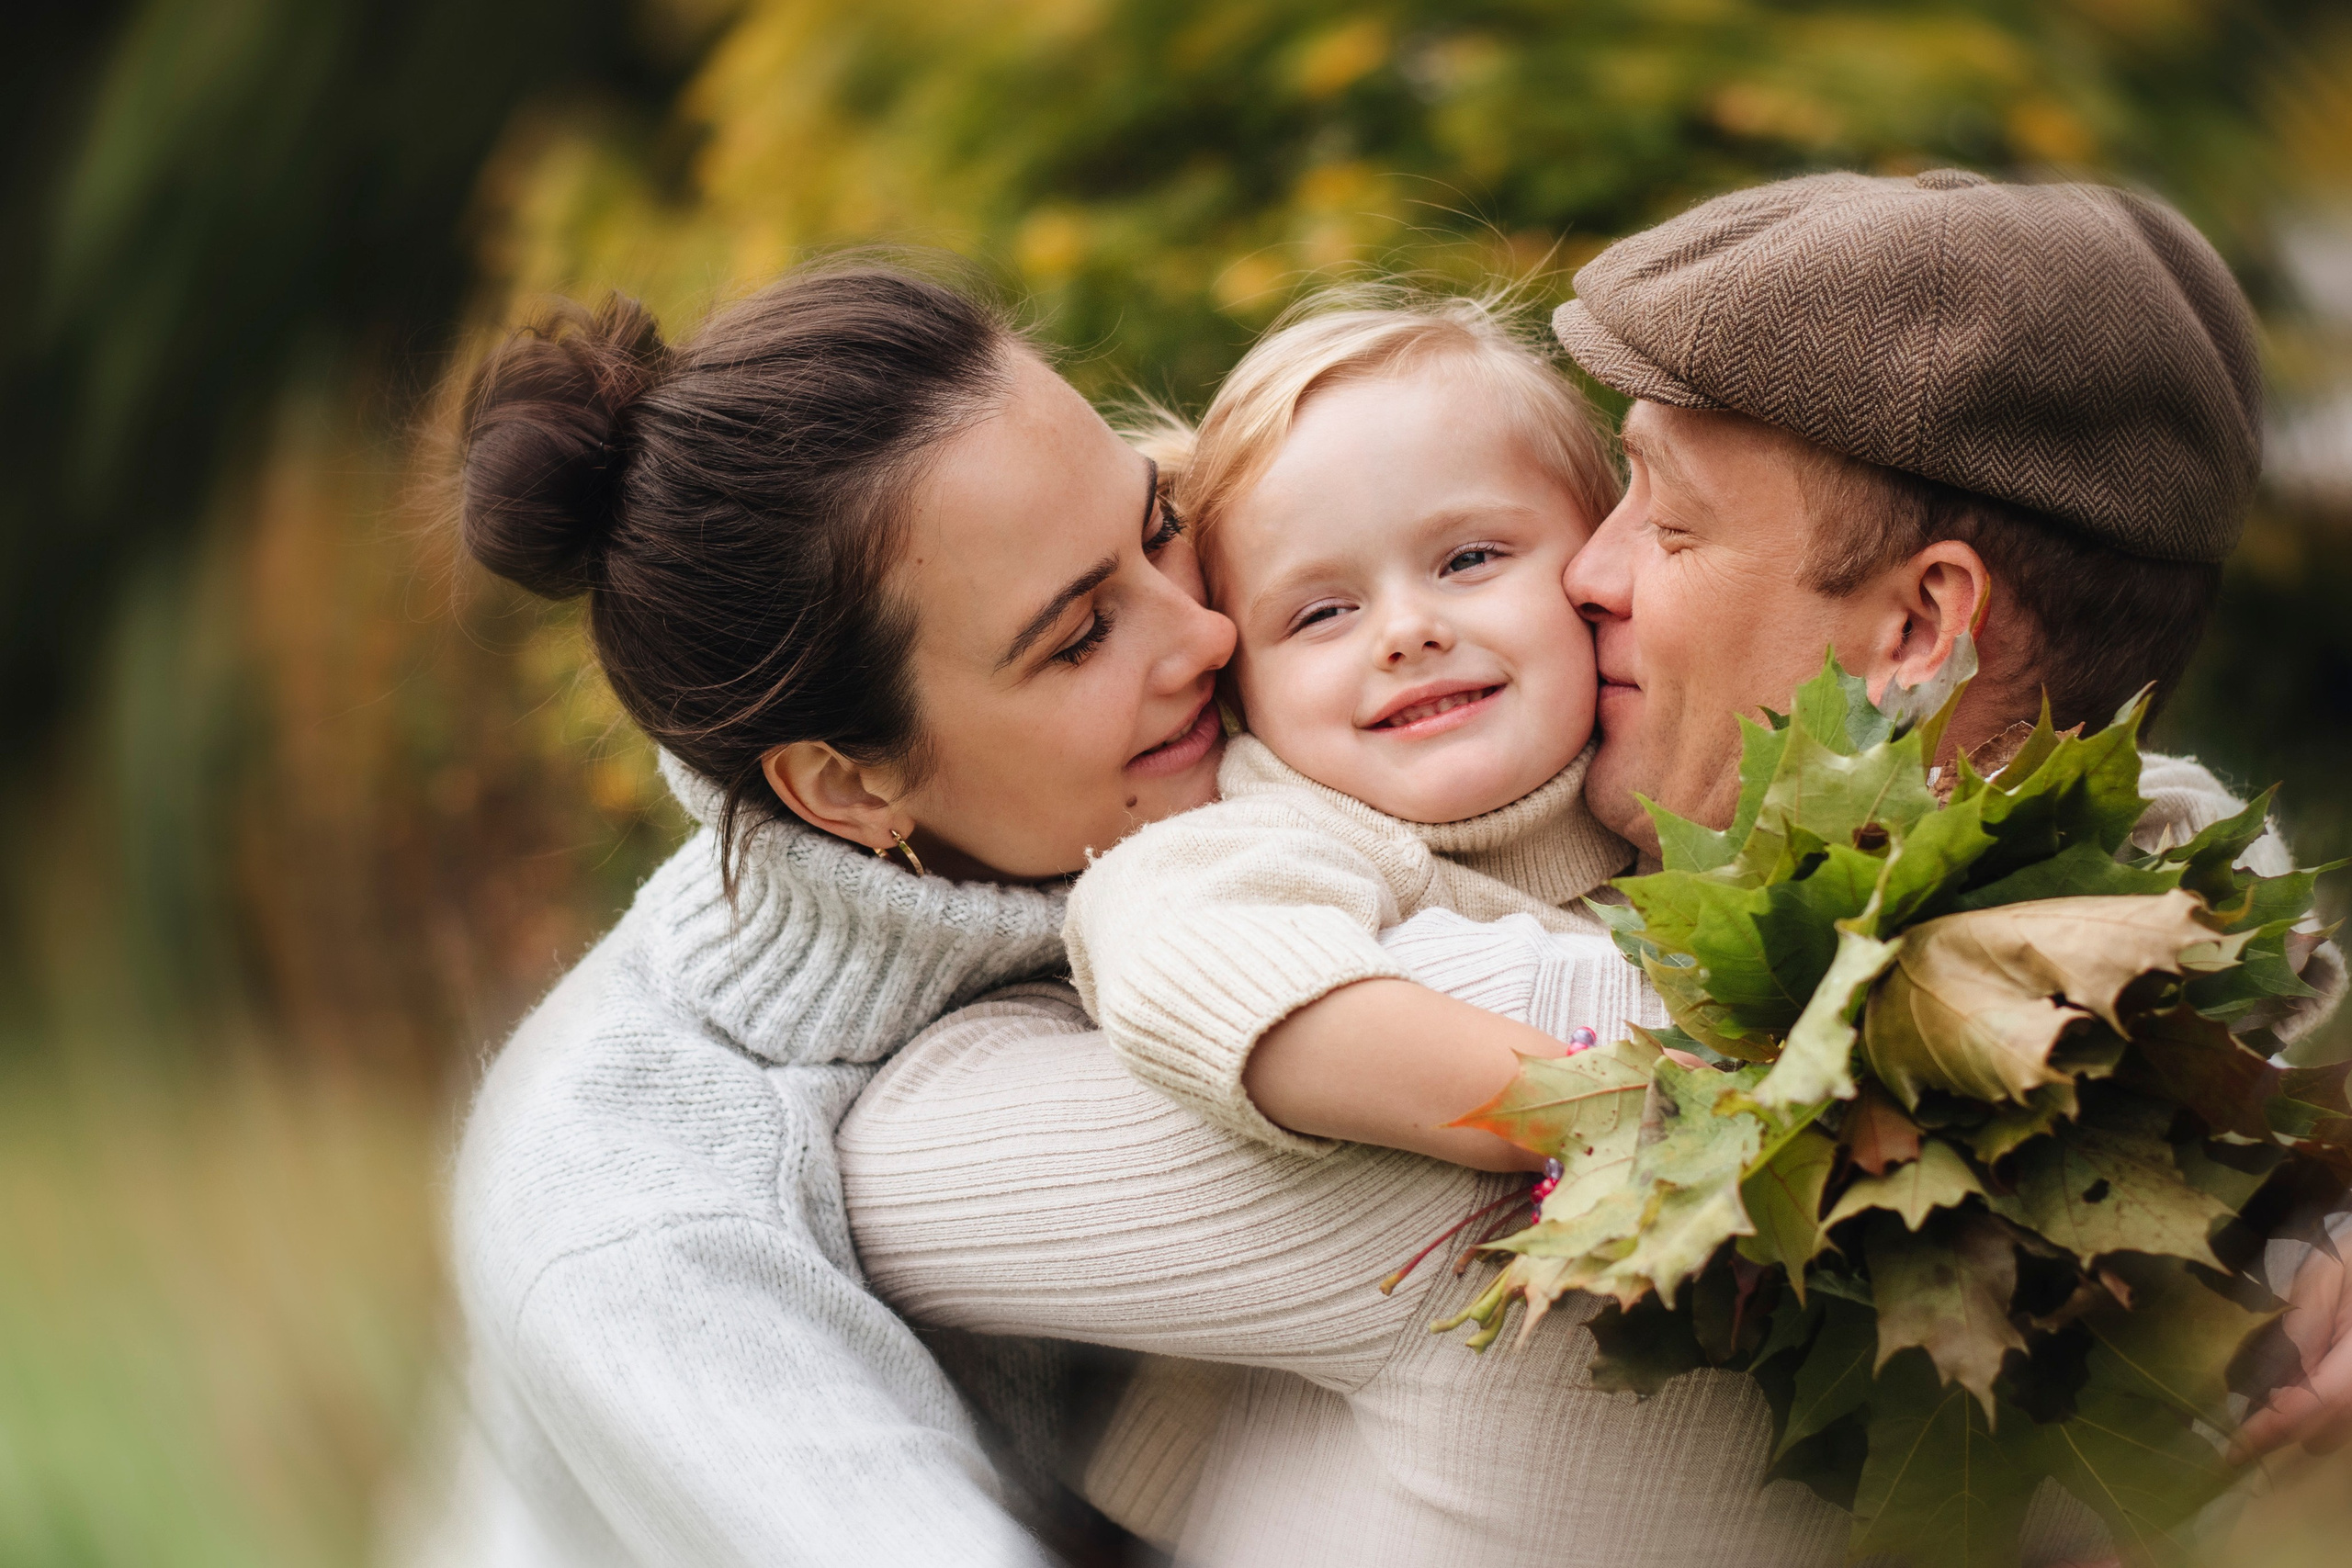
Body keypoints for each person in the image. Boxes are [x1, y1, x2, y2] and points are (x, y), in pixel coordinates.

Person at [836, 171, 2346, 1564]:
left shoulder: (2107, 1022)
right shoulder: (2107, 1060)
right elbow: (853, 1165)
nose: (1591, 572)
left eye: (1664, 520)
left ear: (1917, 628)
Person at [446, 263, 1239, 1566]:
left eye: (1157, 527)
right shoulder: (637, 1207)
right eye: (1081, 635)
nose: (1204, 630)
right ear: (849, 783)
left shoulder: (1160, 788)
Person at [1067, 290, 1668, 1173]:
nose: (1406, 631)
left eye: (1469, 559)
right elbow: (1191, 957)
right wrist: (1599, 1104)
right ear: (1239, 681)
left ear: (1597, 562)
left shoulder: (1689, 775)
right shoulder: (1275, 832)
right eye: (1321, 613)